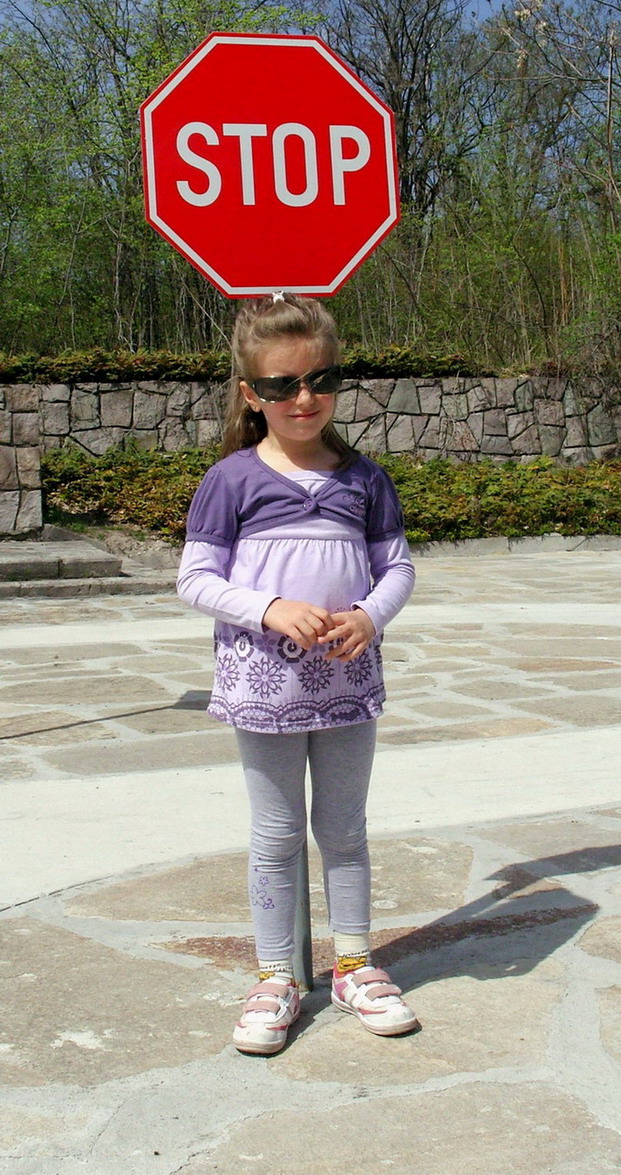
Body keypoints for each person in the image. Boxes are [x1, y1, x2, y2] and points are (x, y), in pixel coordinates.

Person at [177, 292, 417, 1055]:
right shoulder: (231, 480)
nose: (304, 398)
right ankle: (276, 974)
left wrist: (369, 615)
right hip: (263, 690)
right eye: (282, 384)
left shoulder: (364, 480)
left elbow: (398, 568)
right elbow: (195, 578)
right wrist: (269, 607)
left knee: (344, 828)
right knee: (277, 832)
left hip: (347, 687)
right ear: (252, 393)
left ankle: (353, 964)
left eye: (320, 379)